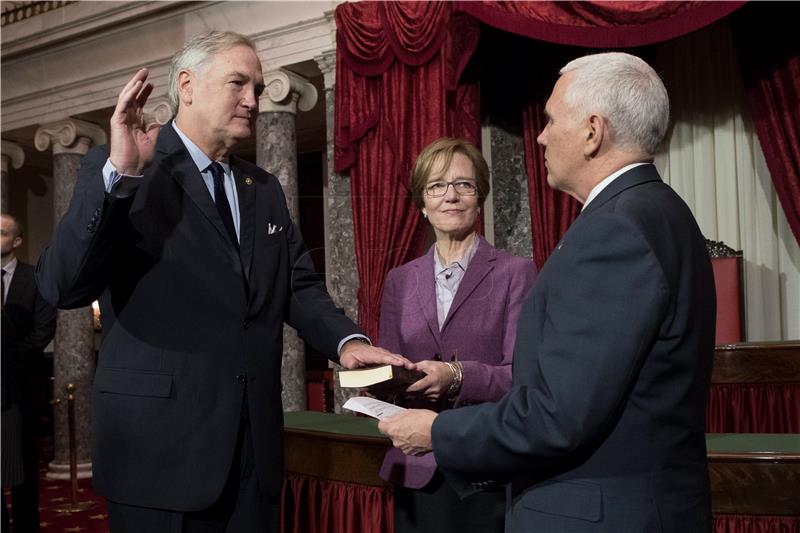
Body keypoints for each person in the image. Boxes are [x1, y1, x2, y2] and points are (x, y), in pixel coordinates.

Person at [35, 31, 411, 533]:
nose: (253, 100)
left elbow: (298, 286)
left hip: (253, 455)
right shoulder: (125, 168)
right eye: (238, 83)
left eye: (257, 86)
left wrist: (347, 341)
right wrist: (119, 175)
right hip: (158, 458)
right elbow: (63, 286)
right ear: (186, 86)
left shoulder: (264, 188)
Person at [379, 52, 716, 532]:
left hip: (600, 513)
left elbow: (556, 413)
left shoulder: (614, 231)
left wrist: (437, 430)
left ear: (592, 131)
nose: (540, 135)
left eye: (552, 119)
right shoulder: (659, 211)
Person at [376, 138, 536, 533]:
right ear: (422, 203)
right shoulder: (399, 280)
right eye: (436, 186)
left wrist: (456, 375)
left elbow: (523, 376)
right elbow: (389, 373)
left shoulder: (516, 273)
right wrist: (375, 386)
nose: (451, 196)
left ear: (479, 198)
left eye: (463, 185)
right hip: (415, 468)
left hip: (483, 466)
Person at [1, 213, 57, 533]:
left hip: (23, 392)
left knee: (24, 476)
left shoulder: (36, 277)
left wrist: (5, 359)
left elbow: (42, 332)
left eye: (0, 233)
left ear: (17, 241)